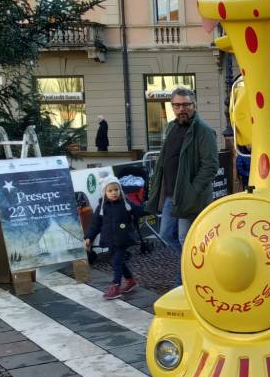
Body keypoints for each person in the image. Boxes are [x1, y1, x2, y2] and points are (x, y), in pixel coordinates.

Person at [145, 87, 219, 262]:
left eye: (186, 105)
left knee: (184, 238)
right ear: (172, 107)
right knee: (165, 235)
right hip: (171, 194)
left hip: (189, 196)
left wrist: (192, 191)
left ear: (194, 105)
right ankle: (189, 269)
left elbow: (210, 166)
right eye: (177, 105)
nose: (181, 109)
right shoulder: (171, 127)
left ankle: (187, 279)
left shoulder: (203, 130)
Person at [85, 179, 143, 300]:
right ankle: (131, 281)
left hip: (123, 239)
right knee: (119, 262)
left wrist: (145, 208)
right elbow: (95, 224)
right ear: (104, 192)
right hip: (110, 240)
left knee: (116, 261)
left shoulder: (126, 203)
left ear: (120, 190)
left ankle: (115, 286)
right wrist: (89, 237)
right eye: (110, 190)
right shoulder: (102, 207)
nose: (114, 193)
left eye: (116, 190)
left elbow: (139, 210)